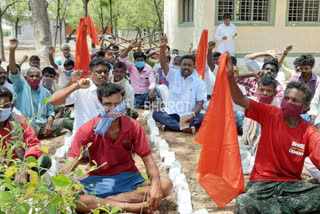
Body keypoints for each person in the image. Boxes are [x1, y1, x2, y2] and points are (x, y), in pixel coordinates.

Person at [225, 54, 320, 213]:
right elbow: (240, 99)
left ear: (305, 106)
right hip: (262, 184)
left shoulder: (309, 131)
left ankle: (275, 209)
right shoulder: (270, 113)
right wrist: (229, 77)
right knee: (244, 202)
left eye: (295, 101)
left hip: (292, 187)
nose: (289, 103)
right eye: (287, 99)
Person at [62, 82, 172, 213]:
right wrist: (62, 182)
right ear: (99, 104)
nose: (113, 108)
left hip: (129, 178)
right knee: (73, 197)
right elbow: (71, 162)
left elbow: (148, 159)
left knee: (165, 185)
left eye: (117, 104)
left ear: (123, 103)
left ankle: (107, 203)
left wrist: (154, 183)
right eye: (108, 104)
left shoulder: (133, 126)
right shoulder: (86, 130)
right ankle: (130, 206)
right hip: (98, 180)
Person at [8, 39, 64, 139]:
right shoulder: (21, 86)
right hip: (27, 125)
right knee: (25, 129)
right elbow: (13, 72)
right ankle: (33, 135)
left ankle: (39, 134)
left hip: (43, 125)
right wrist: (12, 51)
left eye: (37, 76)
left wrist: (49, 124)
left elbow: (50, 111)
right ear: (25, 78)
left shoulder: (46, 92)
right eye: (31, 76)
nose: (34, 78)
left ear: (41, 78)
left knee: (66, 122)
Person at [153, 36, 206, 134]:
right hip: (171, 113)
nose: (186, 67)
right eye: (184, 64)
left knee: (203, 117)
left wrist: (193, 114)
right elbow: (164, 64)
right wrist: (162, 48)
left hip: (188, 115)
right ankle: (183, 127)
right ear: (180, 65)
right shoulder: (173, 74)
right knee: (156, 114)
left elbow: (200, 103)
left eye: (189, 65)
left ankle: (171, 126)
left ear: (194, 67)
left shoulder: (200, 82)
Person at [50, 58, 111, 140]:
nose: (103, 74)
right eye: (99, 72)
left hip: (105, 137)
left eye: (105, 72)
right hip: (84, 137)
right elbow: (54, 101)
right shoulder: (82, 87)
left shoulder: (113, 89)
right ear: (90, 73)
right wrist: (75, 85)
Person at [0, 86, 51, 181]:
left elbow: (34, 145)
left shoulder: (21, 122)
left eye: (4, 106)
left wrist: (23, 169)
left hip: (18, 167)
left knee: (45, 161)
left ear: (11, 107)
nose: (1, 110)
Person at [239, 76, 280, 174]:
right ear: (257, 91)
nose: (265, 93)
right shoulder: (251, 103)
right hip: (248, 144)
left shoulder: (278, 108)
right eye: (262, 90)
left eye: (268, 91)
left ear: (274, 93)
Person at [119, 41, 158, 108]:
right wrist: (130, 47)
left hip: (146, 95)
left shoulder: (149, 69)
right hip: (135, 95)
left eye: (141, 60)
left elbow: (152, 82)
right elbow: (121, 59)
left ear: (144, 61)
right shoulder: (131, 67)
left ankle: (144, 106)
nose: (140, 62)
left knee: (155, 94)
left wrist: (151, 91)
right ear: (135, 61)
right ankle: (141, 106)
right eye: (138, 60)